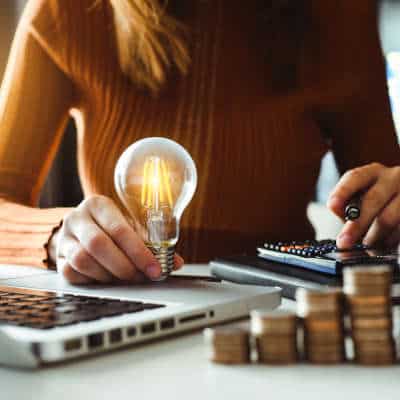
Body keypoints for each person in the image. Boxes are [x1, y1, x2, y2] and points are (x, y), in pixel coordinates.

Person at [0, 0, 398, 284]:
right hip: (123, 307)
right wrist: (56, 237)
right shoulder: (66, 11)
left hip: (279, 305)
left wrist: (391, 204)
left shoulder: (338, 16)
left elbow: (382, 203)